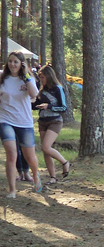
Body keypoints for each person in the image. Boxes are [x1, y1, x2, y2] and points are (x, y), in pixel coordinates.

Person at [0, 51, 41, 198]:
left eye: (16, 62)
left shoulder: (27, 79)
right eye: (10, 61)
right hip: (5, 120)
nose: (12, 64)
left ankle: (36, 176)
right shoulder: (2, 77)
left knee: (29, 156)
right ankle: (12, 190)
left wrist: (26, 76)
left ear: (22, 64)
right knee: (12, 154)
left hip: (24, 121)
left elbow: (34, 94)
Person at [32, 65, 71, 184]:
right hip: (42, 121)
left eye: (42, 77)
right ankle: (52, 177)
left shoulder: (58, 89)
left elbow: (64, 107)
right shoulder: (42, 90)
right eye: (39, 77)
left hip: (55, 121)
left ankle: (65, 162)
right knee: (45, 151)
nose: (41, 80)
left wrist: (49, 106)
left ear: (48, 76)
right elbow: (34, 105)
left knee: (46, 147)